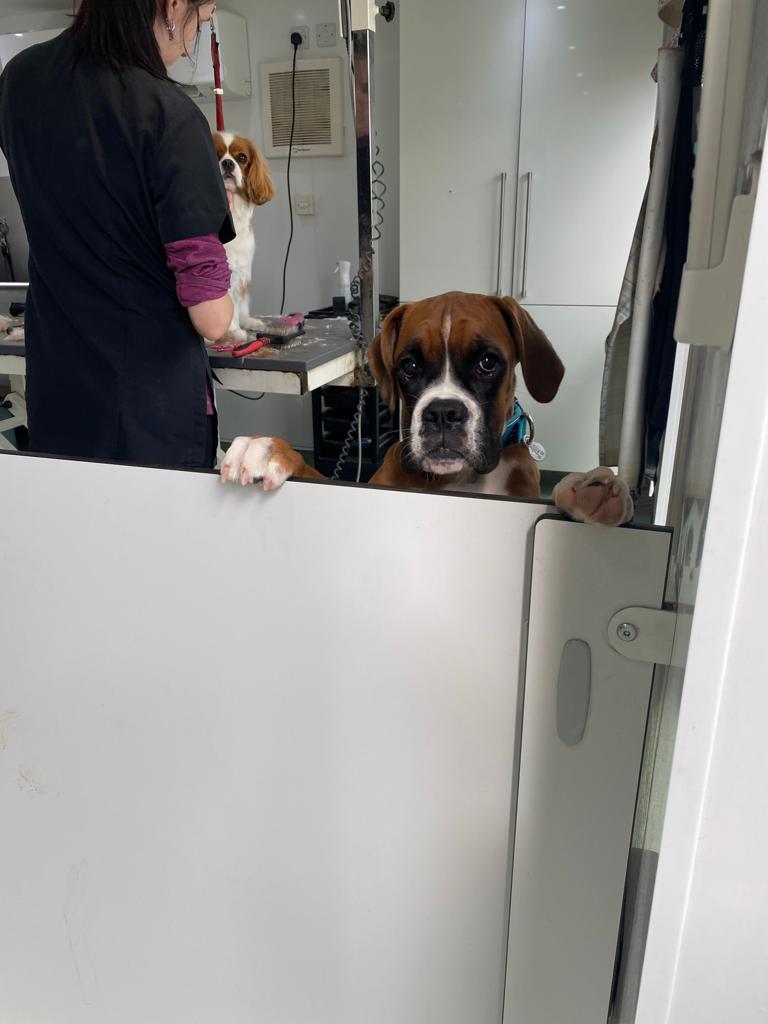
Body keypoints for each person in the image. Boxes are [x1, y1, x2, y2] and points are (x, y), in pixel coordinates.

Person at [0, 0, 236, 468]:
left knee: (74, 511)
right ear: (173, 6)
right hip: (147, 409)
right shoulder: (169, 114)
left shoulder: (19, 79)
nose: (190, 42)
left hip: (58, 386)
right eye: (203, 20)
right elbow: (212, 319)